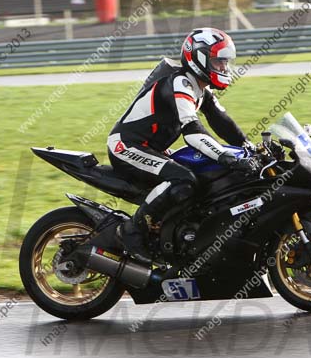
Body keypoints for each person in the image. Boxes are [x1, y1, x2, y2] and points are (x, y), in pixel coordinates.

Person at [107, 27, 258, 262]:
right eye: (218, 61)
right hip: (126, 146)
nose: (224, 67)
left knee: (202, 178)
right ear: (199, 58)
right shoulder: (180, 83)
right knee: (183, 179)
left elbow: (222, 122)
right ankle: (131, 232)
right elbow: (193, 131)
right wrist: (225, 156)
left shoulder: (200, 88)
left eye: (225, 62)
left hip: (151, 148)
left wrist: (249, 146)